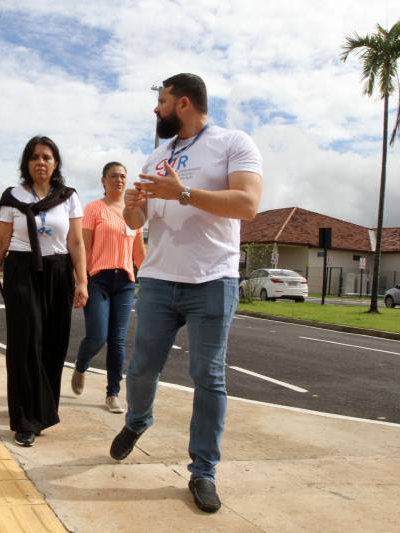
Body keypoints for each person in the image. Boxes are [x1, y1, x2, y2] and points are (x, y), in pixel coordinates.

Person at [108, 73, 262, 513]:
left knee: (207, 376)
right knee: (140, 369)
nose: (155, 110)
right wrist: (135, 207)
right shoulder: (157, 155)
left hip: (212, 280)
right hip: (158, 278)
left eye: (161, 101)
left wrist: (185, 193)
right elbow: (137, 223)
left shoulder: (234, 143)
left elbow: (248, 205)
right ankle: (138, 421)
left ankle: (203, 471)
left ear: (184, 104)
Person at [0, 135, 88, 447]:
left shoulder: (68, 197)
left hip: (58, 274)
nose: (40, 162)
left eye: (47, 157)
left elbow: (76, 242)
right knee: (26, 343)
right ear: (26, 163)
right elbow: (0, 244)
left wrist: (82, 281)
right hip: (21, 273)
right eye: (34, 157)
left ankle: (42, 411)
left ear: (55, 164)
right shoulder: (12, 198)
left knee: (53, 345)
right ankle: (25, 419)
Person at [70, 162, 145, 413]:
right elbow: (84, 248)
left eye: (123, 176)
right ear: (103, 180)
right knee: (98, 335)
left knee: (118, 340)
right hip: (97, 279)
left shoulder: (134, 213)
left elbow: (139, 254)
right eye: (114, 176)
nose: (119, 180)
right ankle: (81, 365)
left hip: (124, 283)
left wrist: (151, 279)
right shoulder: (94, 209)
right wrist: (80, 281)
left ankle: (113, 393)